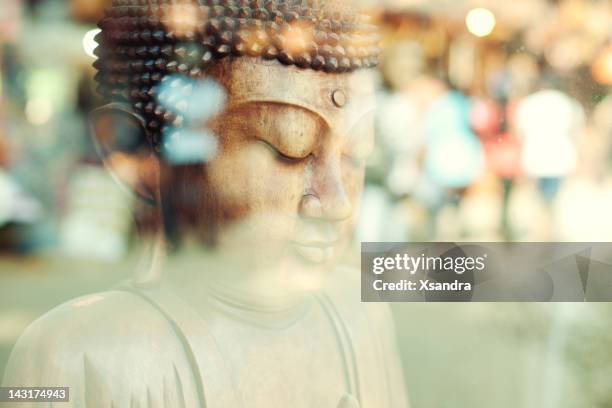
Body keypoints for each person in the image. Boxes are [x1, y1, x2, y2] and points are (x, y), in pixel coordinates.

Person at [2, 1, 409, 407]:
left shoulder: (362, 317)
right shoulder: (70, 356)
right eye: (290, 149)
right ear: (137, 154)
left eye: (357, 153)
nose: (337, 203)